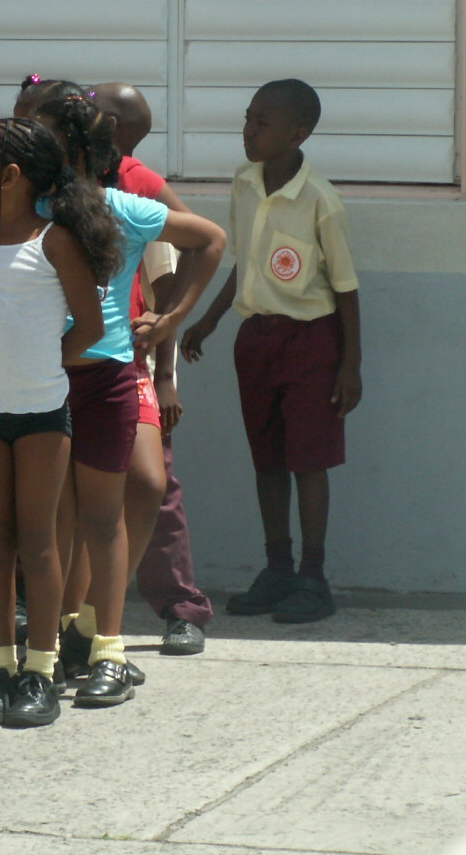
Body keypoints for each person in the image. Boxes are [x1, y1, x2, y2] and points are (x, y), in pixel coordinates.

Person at [33, 90, 224, 707]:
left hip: (116, 369)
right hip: (45, 375)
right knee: (62, 513)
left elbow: (207, 240)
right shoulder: (29, 210)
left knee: (135, 491)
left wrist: (172, 322)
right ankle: (64, 637)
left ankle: (97, 632)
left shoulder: (127, 199)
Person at [0, 116, 112, 728]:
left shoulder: (55, 243)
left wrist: (45, 364)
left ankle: (41, 671)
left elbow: (90, 327)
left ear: (10, 177)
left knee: (38, 546)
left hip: (41, 417)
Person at [182, 79, 361, 625]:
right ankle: (277, 568)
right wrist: (209, 321)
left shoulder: (320, 200)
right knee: (268, 457)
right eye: (248, 118)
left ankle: (313, 577)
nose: (248, 130)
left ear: (297, 134)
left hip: (311, 341)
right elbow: (247, 261)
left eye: (262, 122)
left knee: (309, 459)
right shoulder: (245, 183)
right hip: (257, 340)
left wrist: (350, 365)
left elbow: (346, 287)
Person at [92, 81, 215, 656]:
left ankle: (180, 606)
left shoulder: (136, 184)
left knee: (153, 484)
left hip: (131, 361)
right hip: (67, 362)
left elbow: (176, 269)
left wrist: (165, 366)